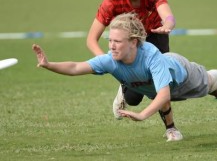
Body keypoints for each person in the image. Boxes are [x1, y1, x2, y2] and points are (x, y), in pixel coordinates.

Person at [33, 13, 217, 142]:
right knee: (155, 90)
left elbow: (164, 95)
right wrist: (49, 65)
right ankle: (171, 130)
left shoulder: (152, 56)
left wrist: (142, 115)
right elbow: (75, 67)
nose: (112, 46)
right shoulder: (110, 60)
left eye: (117, 41)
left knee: (210, 85)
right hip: (156, 87)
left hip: (183, 76)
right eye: (110, 40)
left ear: (133, 42)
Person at [86, 0, 179, 139]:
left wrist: (167, 25)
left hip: (154, 35)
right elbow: (91, 39)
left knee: (159, 85)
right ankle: (124, 88)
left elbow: (167, 16)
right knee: (133, 100)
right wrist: (109, 64)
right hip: (129, 42)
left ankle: (171, 129)